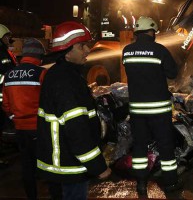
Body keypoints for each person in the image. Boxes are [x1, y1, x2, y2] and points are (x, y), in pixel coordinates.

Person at [36, 21, 111, 200]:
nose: (87, 50)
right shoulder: (66, 81)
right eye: (82, 46)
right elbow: (77, 129)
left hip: (63, 162)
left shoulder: (62, 74)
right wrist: (97, 166)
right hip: (68, 166)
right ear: (67, 51)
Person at [122, 16, 181, 195]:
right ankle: (170, 183)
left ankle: (141, 182)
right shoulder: (159, 50)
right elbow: (173, 73)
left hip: (137, 109)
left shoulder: (127, 51)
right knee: (165, 145)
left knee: (139, 145)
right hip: (158, 109)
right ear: (151, 31)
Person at [2, 38, 47, 199]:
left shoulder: (9, 74)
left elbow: (5, 103)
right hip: (39, 128)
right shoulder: (42, 73)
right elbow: (48, 101)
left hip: (20, 129)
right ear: (39, 55)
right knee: (45, 163)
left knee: (26, 165)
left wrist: (15, 118)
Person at [0, 24, 18, 168]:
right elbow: (7, 72)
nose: (8, 39)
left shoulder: (4, 51)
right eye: (6, 36)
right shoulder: (1, 53)